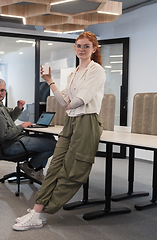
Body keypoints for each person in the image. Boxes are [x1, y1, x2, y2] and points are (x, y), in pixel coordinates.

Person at [12, 31, 106, 231]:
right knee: (54, 167)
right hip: (71, 122)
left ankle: (42, 212)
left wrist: (69, 103)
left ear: (94, 49)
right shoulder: (73, 74)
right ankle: (38, 211)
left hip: (87, 122)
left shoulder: (96, 70)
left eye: (86, 46)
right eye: (78, 46)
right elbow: (64, 102)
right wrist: (49, 80)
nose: (81, 49)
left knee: (73, 170)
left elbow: (79, 101)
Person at [0, 78, 57, 182]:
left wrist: (19, 108)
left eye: (2, 90)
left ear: (5, 91)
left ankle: (37, 170)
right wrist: (22, 126)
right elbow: (5, 135)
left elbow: (10, 118)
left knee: (49, 137)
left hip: (16, 140)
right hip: (11, 145)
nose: (0, 93)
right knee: (54, 144)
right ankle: (30, 167)